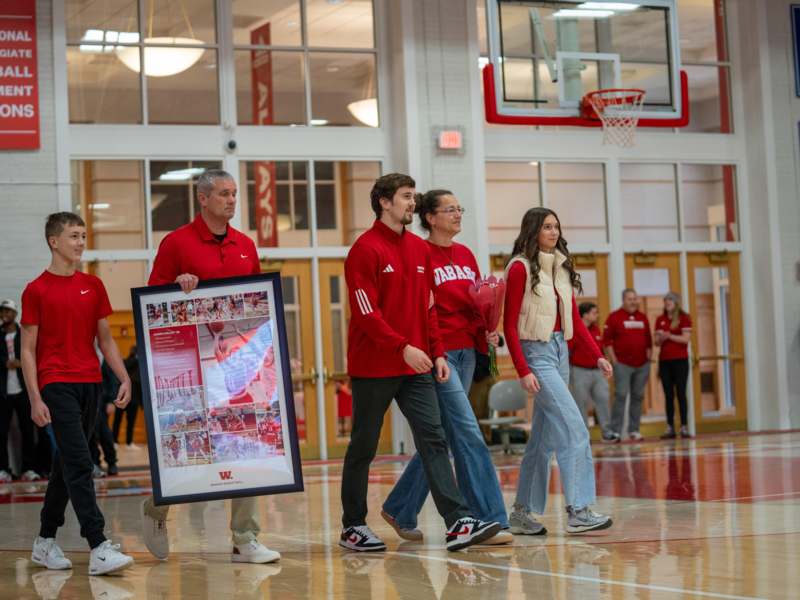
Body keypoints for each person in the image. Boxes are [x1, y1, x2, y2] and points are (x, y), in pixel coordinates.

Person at [339, 173, 500, 552]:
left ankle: (457, 520)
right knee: (364, 445)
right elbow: (366, 313)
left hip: (418, 366)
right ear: (384, 202)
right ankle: (353, 526)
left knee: (434, 439)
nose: (413, 203)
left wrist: (438, 352)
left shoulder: (418, 248)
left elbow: (429, 309)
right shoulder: (364, 249)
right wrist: (402, 348)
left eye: (413, 197)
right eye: (406, 197)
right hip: (375, 366)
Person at [141, 168, 279, 565]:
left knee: (246, 443)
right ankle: (157, 506)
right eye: (223, 194)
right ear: (202, 199)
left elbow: (256, 304)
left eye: (235, 193)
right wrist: (175, 288)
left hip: (240, 368)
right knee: (195, 448)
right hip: (194, 366)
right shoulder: (176, 244)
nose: (231, 200)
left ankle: (245, 538)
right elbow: (155, 305)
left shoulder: (246, 245)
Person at [380, 189, 511, 545]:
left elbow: (477, 300)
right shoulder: (420, 252)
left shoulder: (466, 253)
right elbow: (424, 308)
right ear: (430, 217)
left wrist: (489, 328)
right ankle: (490, 517)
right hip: (440, 355)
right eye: (449, 209)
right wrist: (433, 351)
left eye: (459, 208)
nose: (457, 215)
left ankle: (400, 507)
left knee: (444, 438)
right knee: (468, 432)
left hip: (468, 350)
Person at [20, 211, 134, 575]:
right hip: (55, 383)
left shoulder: (93, 286)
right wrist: (35, 397)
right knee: (83, 462)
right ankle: (98, 544)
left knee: (65, 465)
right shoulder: (35, 289)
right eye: (73, 236)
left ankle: (44, 541)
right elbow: (27, 349)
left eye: (83, 235)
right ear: (54, 241)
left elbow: (105, 339)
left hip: (90, 384)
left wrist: (122, 378)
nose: (81, 242)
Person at [503, 207, 614, 535]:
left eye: (556, 226)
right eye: (546, 226)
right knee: (575, 428)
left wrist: (597, 356)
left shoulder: (561, 267)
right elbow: (508, 325)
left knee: (543, 440)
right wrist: (522, 369)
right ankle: (579, 510)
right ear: (533, 230)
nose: (553, 232)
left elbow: (575, 322)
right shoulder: (520, 268)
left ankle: (521, 513)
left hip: (560, 351)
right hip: (535, 353)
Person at [0, 299, 42, 481]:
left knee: (27, 430)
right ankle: (4, 470)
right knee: (1, 432)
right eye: (2, 312)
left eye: (8, 312)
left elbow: (34, 355)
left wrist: (20, 363)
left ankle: (28, 468)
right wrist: (4, 363)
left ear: (15, 314)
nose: (4, 315)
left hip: (23, 391)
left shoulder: (24, 333)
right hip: (3, 392)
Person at [604, 289, 653, 441]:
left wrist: (649, 358)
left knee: (638, 397)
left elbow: (649, 340)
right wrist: (614, 361)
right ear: (623, 300)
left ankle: (634, 430)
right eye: (630, 299)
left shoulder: (642, 317)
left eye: (635, 298)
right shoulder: (614, 317)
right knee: (621, 396)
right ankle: (616, 431)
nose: (633, 301)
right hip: (622, 365)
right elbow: (607, 341)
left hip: (642, 365)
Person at [568, 302, 616, 442]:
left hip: (597, 371)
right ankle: (584, 435)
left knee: (603, 399)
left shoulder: (596, 330)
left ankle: (607, 432)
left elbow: (600, 350)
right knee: (580, 403)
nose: (597, 315)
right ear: (585, 315)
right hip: (579, 371)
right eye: (594, 313)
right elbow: (569, 351)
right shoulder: (574, 331)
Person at [655, 292, 692, 439]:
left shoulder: (684, 318)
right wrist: (662, 338)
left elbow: (685, 339)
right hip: (665, 361)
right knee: (668, 394)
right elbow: (656, 342)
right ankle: (670, 427)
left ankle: (684, 426)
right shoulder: (660, 319)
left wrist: (670, 336)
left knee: (681, 393)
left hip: (680, 360)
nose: (667, 302)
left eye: (670, 300)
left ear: (676, 302)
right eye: (665, 300)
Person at [89, 360, 119, 476]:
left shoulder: (105, 358)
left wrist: (111, 401)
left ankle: (112, 463)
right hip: (90, 401)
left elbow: (113, 381)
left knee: (105, 434)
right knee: (91, 434)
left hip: (102, 403)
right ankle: (95, 463)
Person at [114, 345, 141, 447]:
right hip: (122, 396)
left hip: (133, 399)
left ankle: (129, 442)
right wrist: (135, 358)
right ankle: (114, 441)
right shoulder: (126, 362)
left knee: (130, 422)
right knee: (118, 419)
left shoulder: (139, 364)